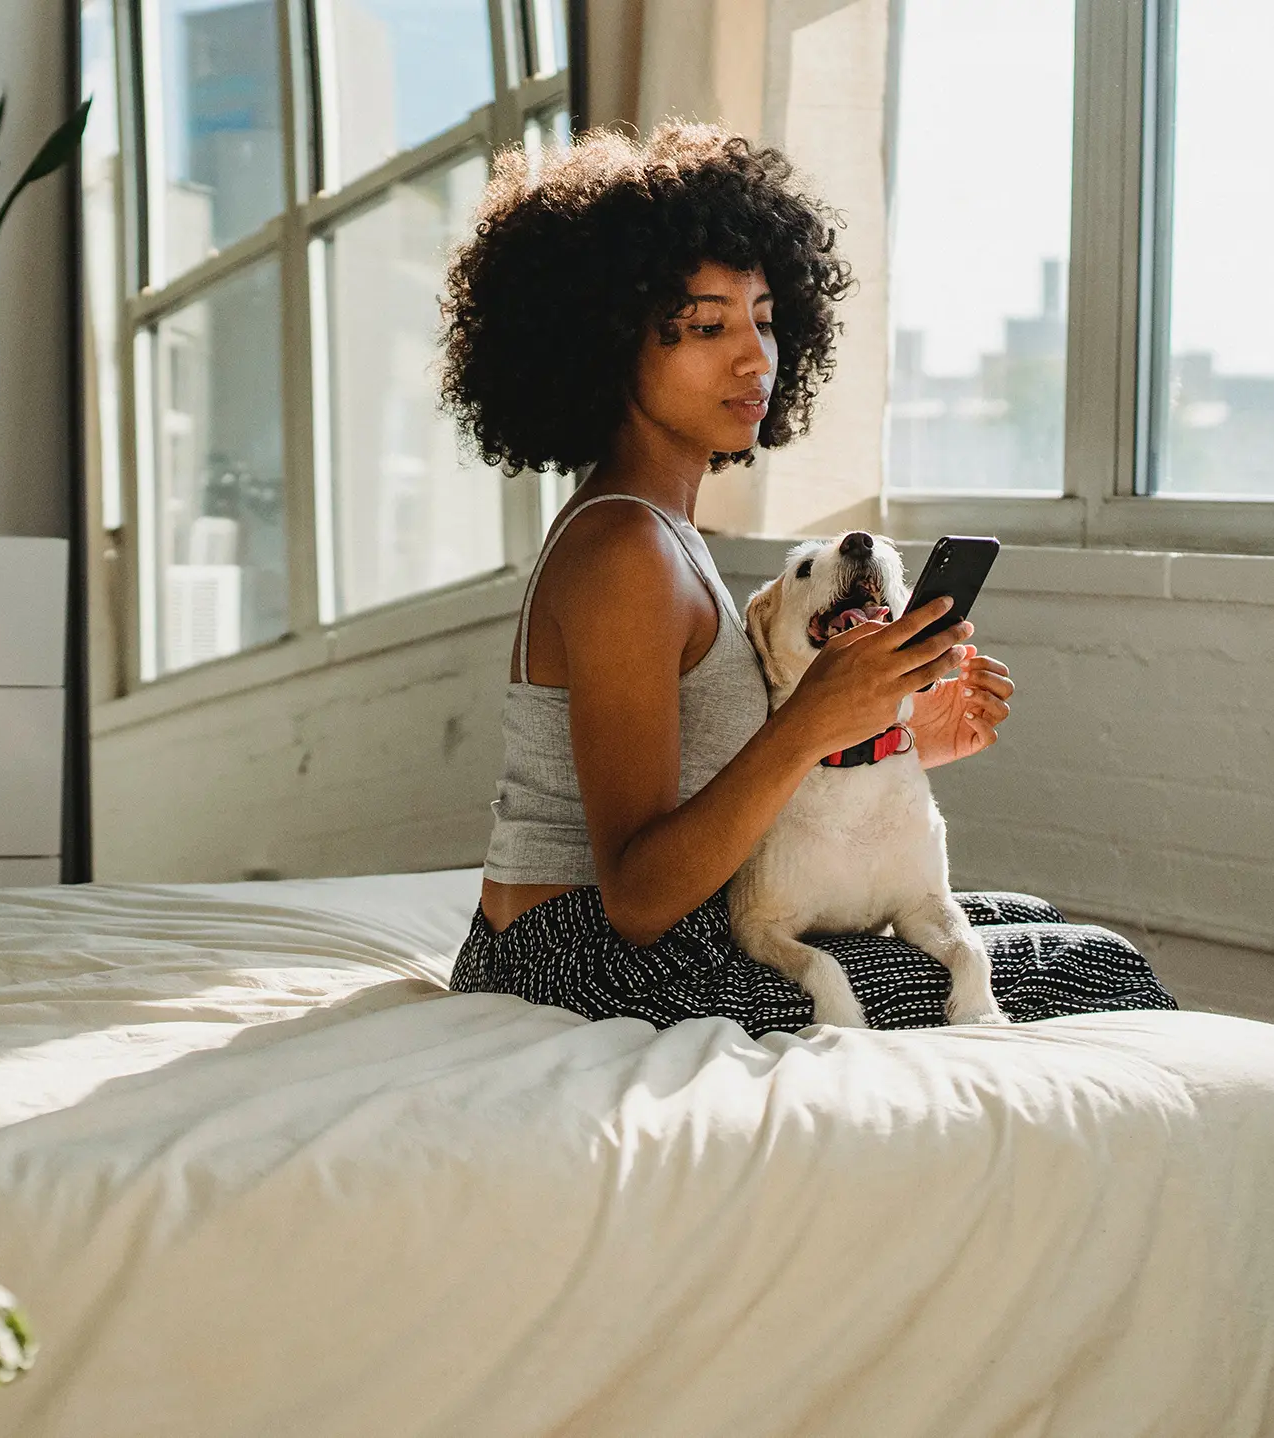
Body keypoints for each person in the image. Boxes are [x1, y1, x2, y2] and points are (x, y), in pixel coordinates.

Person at [438, 122, 1175, 1035]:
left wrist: (880, 732)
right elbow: (635, 895)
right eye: (707, 326)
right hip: (582, 962)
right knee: (1092, 967)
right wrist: (812, 722)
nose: (754, 357)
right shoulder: (625, 549)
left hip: (612, 942)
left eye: (764, 318)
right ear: (605, 345)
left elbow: (711, 785)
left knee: (1028, 922)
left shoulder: (658, 527)